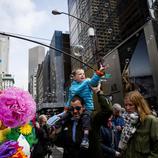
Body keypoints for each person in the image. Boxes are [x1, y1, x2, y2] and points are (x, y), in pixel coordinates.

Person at [64, 65, 108, 148]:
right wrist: (66, 109)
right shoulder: (72, 87)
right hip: (77, 109)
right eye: (80, 74)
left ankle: (85, 138)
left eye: (83, 73)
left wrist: (99, 73)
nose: (82, 75)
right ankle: (56, 126)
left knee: (86, 119)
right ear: (74, 78)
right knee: (65, 116)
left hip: (87, 108)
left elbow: (94, 82)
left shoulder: (87, 82)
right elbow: (69, 99)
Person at [119, 90, 158, 158]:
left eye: (131, 105)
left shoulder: (151, 121)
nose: (127, 108)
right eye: (126, 105)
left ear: (139, 105)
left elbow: (156, 149)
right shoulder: (128, 121)